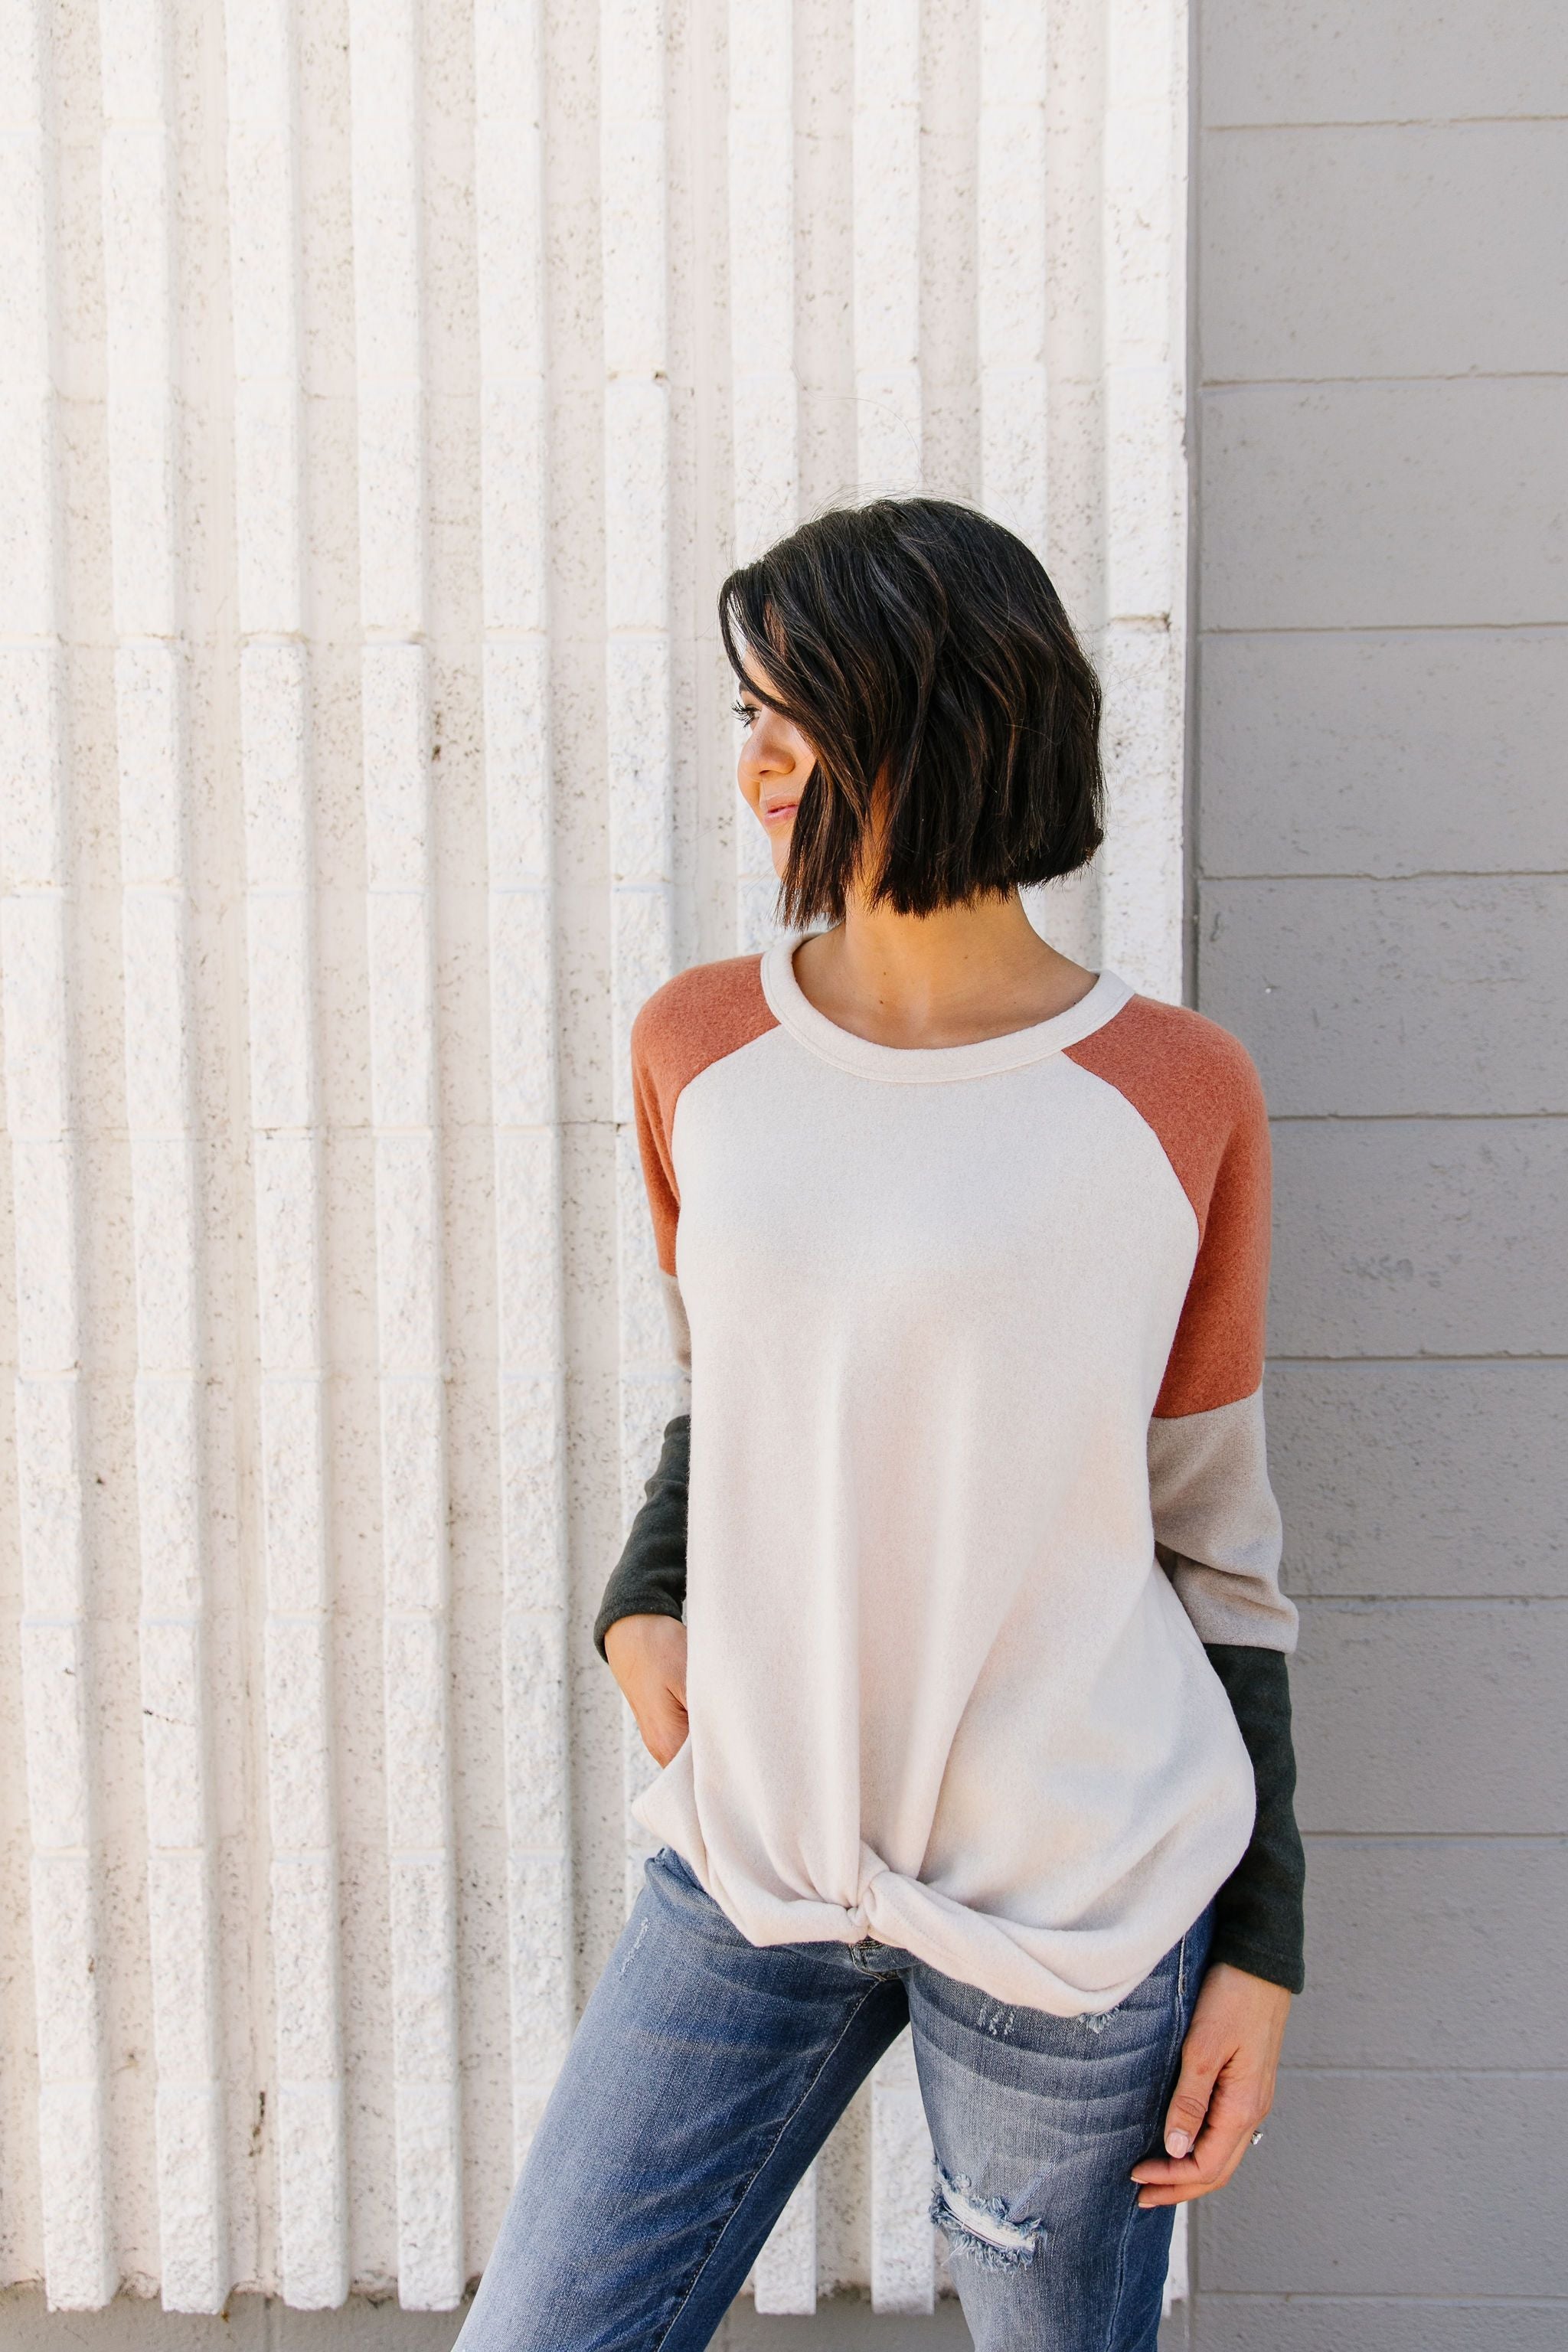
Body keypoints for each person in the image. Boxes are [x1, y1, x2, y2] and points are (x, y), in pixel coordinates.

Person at [456, 499, 1304, 2352]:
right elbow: (747, 1377)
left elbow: (1216, 1541)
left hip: (1072, 1893)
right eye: (741, 714)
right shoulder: (697, 1045)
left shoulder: (1175, 1092)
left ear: (941, 712)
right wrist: (645, 1586)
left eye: (795, 714)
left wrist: (1263, 1942)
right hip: (756, 1855)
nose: (752, 764)